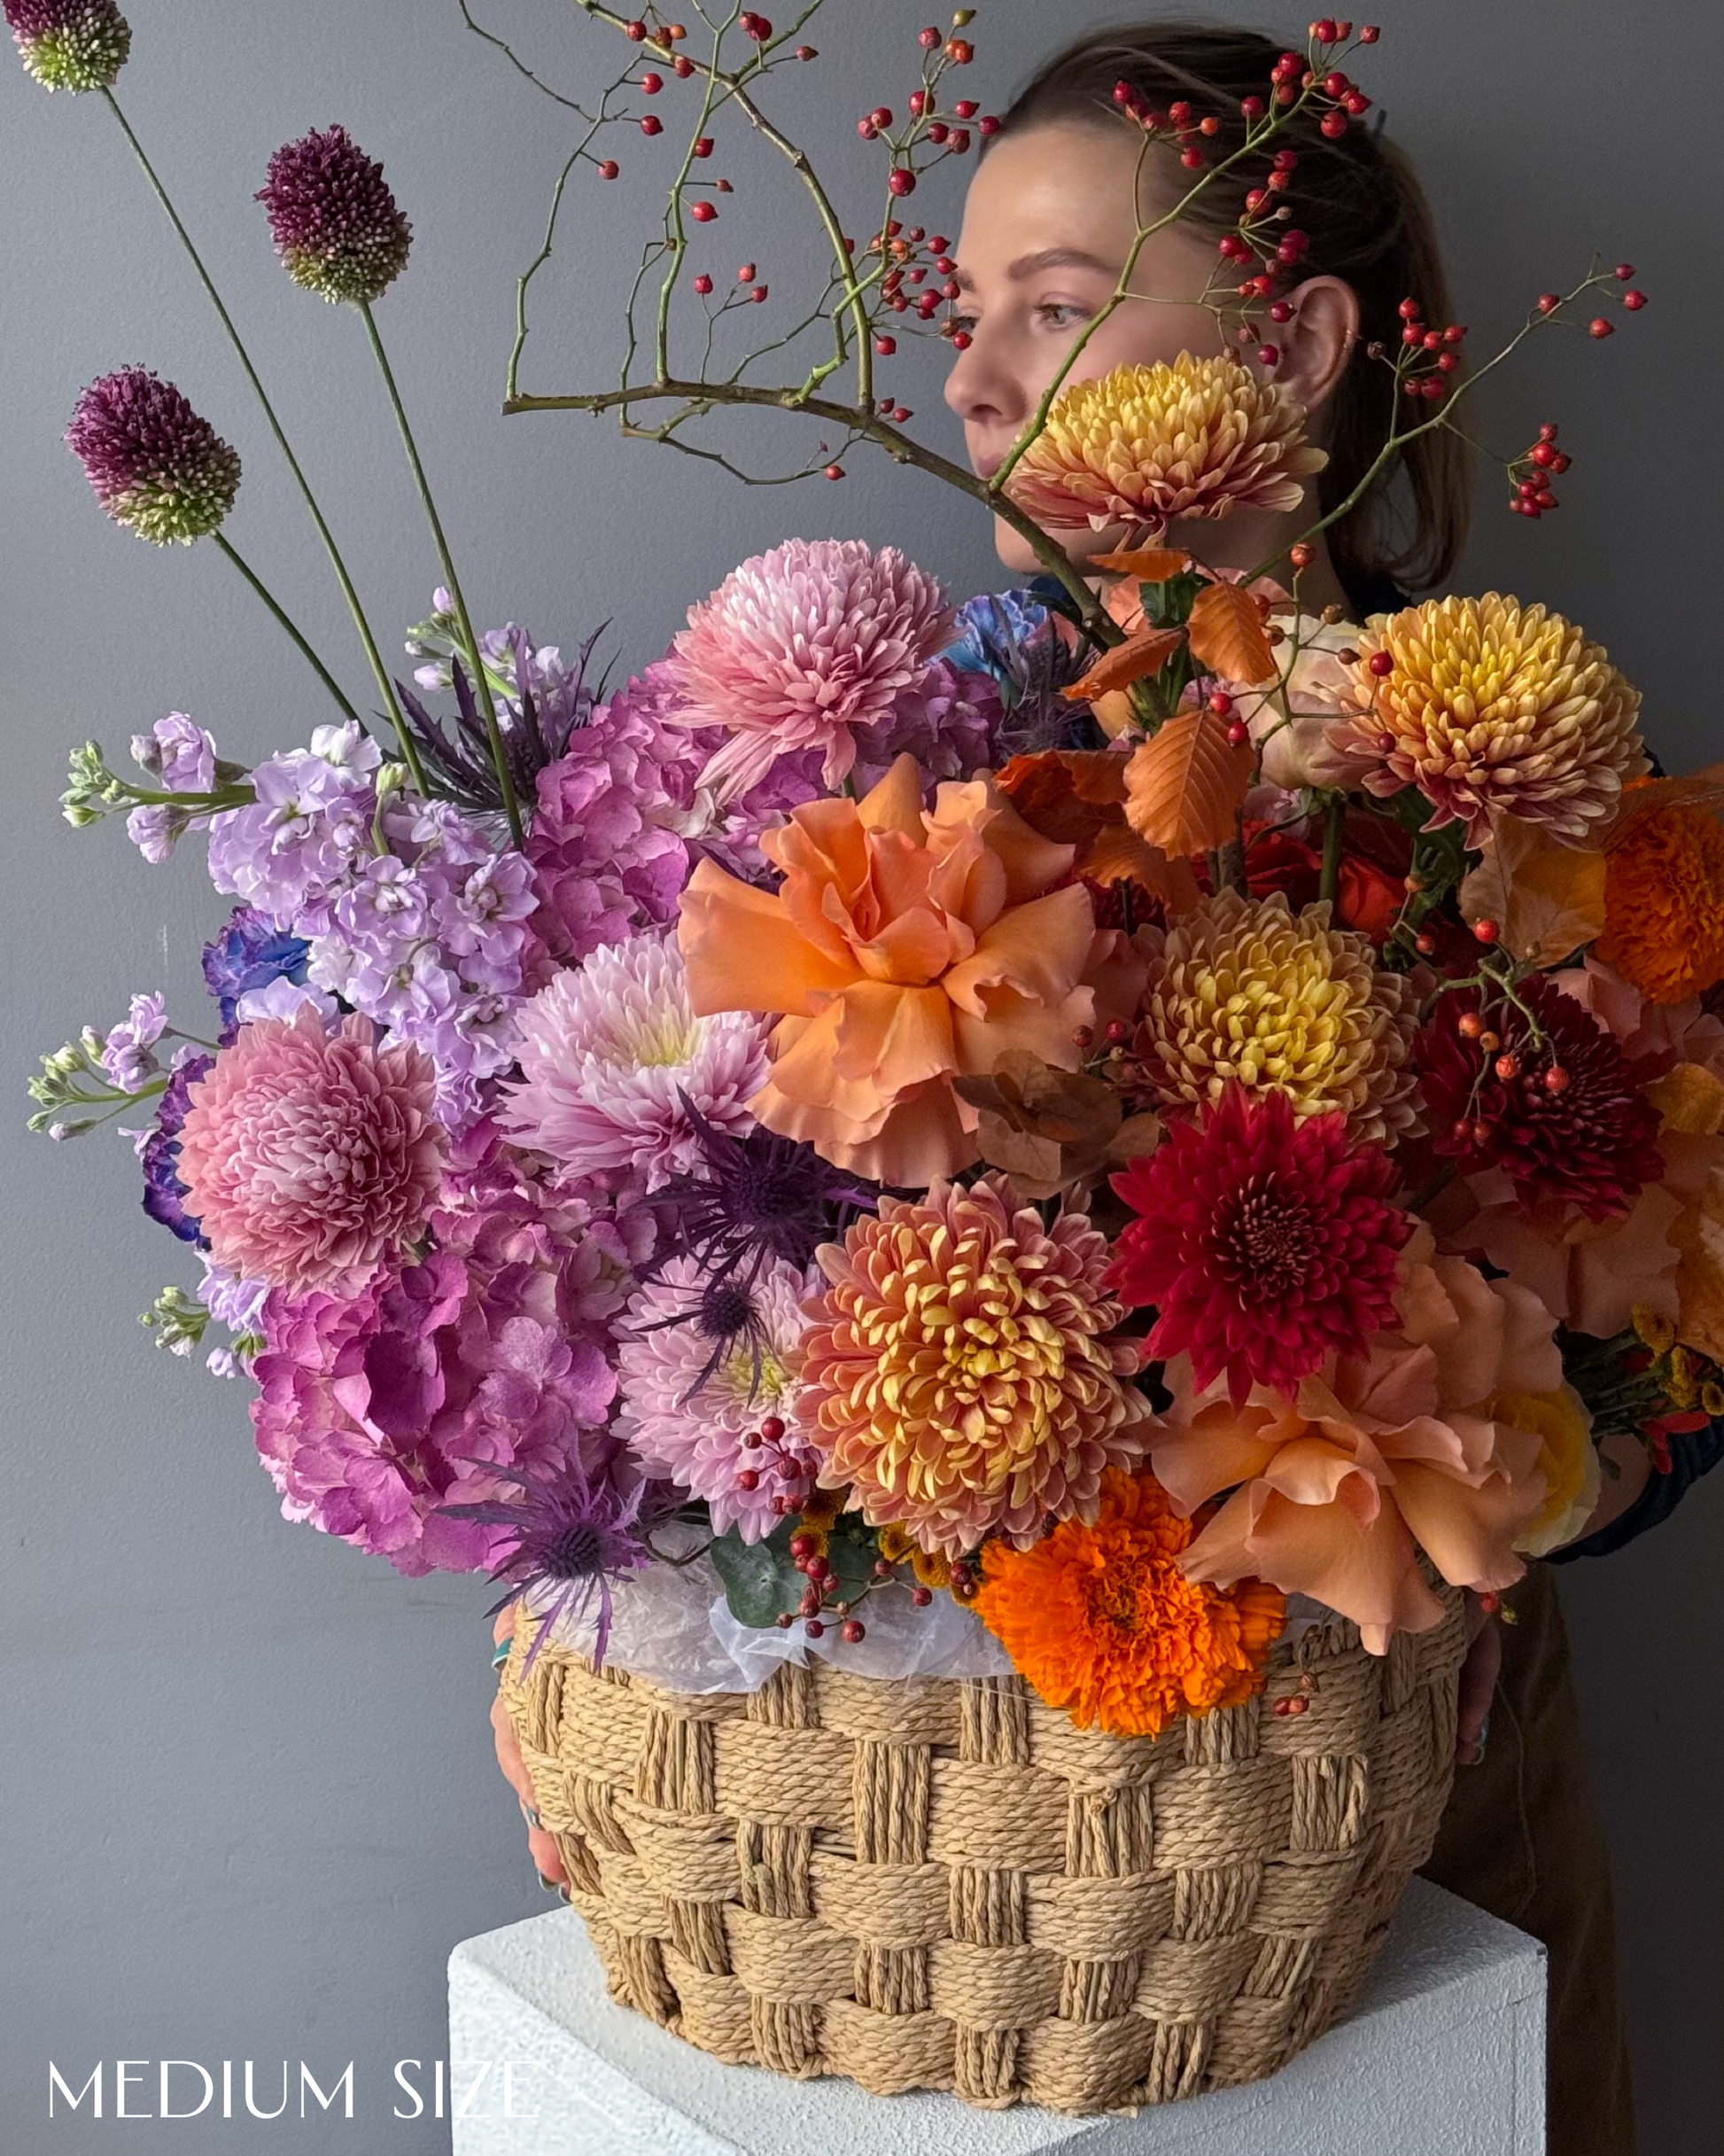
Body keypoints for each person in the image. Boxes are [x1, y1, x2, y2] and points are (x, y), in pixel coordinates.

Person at [493, 24, 1714, 2152]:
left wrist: (1488, 1464)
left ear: (1308, 343)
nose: (968, 384)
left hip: (1430, 1822)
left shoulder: (1539, 840)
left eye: (1052, 309)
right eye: (964, 316)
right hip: (981, 1898)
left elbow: (1676, 1377)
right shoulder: (945, 797)